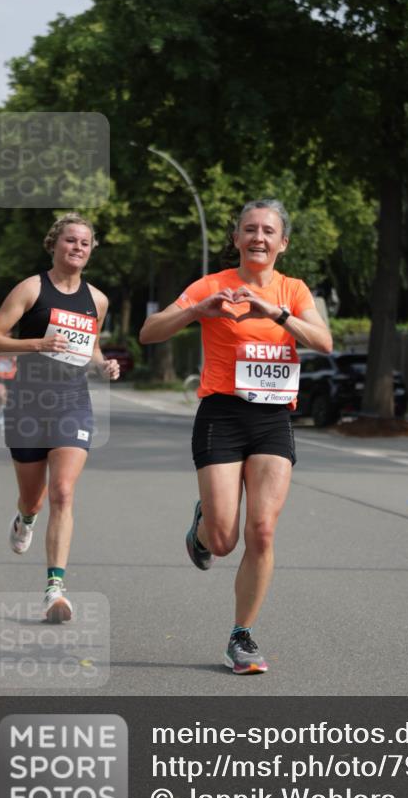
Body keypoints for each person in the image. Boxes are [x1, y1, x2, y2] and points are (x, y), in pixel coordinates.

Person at [140, 199, 332, 674]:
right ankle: (203, 528)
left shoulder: (294, 290)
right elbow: (149, 332)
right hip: (222, 415)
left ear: (283, 243)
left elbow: (323, 341)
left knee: (262, 530)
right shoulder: (211, 285)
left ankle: (240, 636)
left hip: (272, 418)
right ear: (236, 238)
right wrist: (195, 310)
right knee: (224, 540)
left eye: (268, 231)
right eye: (250, 229)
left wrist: (278, 313)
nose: (258, 237)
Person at [0, 213, 120, 623]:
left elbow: (91, 349)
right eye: (70, 240)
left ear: (91, 251)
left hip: (72, 402)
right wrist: (37, 343)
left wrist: (103, 365)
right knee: (33, 498)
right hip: (27, 403)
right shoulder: (31, 289)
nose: (77, 247)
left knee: (62, 491)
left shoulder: (98, 300)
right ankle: (25, 518)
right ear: (54, 244)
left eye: (85, 243)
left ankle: (54, 589)